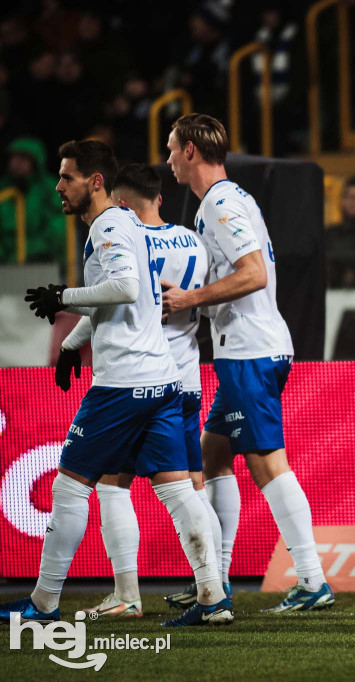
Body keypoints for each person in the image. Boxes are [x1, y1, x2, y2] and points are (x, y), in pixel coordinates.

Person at [1, 140, 228, 627]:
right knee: (178, 491)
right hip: (163, 379)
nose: (59, 186)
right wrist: (71, 344)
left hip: (122, 385)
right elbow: (133, 299)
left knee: (69, 489)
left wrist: (63, 295)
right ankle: (213, 598)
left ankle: (42, 604)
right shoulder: (128, 222)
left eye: (67, 177)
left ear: (96, 181)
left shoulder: (107, 225)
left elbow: (122, 289)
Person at [161, 114, 334, 613]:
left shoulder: (218, 202)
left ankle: (311, 579)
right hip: (247, 350)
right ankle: (214, 580)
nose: (169, 158)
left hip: (250, 351)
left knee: (267, 463)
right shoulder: (226, 199)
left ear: (191, 150)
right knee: (213, 456)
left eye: (172, 149)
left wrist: (191, 298)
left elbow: (253, 273)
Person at [67, 162, 221, 618]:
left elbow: (118, 297)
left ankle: (126, 594)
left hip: (139, 375)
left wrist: (73, 341)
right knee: (190, 487)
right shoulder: (192, 239)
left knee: (114, 486)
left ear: (122, 201)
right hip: (187, 376)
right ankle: (214, 586)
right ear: (160, 196)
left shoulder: (129, 235)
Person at [0, 136, 67, 264]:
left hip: (41, 258)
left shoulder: (49, 188)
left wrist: (29, 250)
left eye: (23, 158)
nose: (16, 163)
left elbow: (58, 225)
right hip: (6, 260)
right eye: (13, 157)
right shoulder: (3, 188)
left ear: (35, 161)